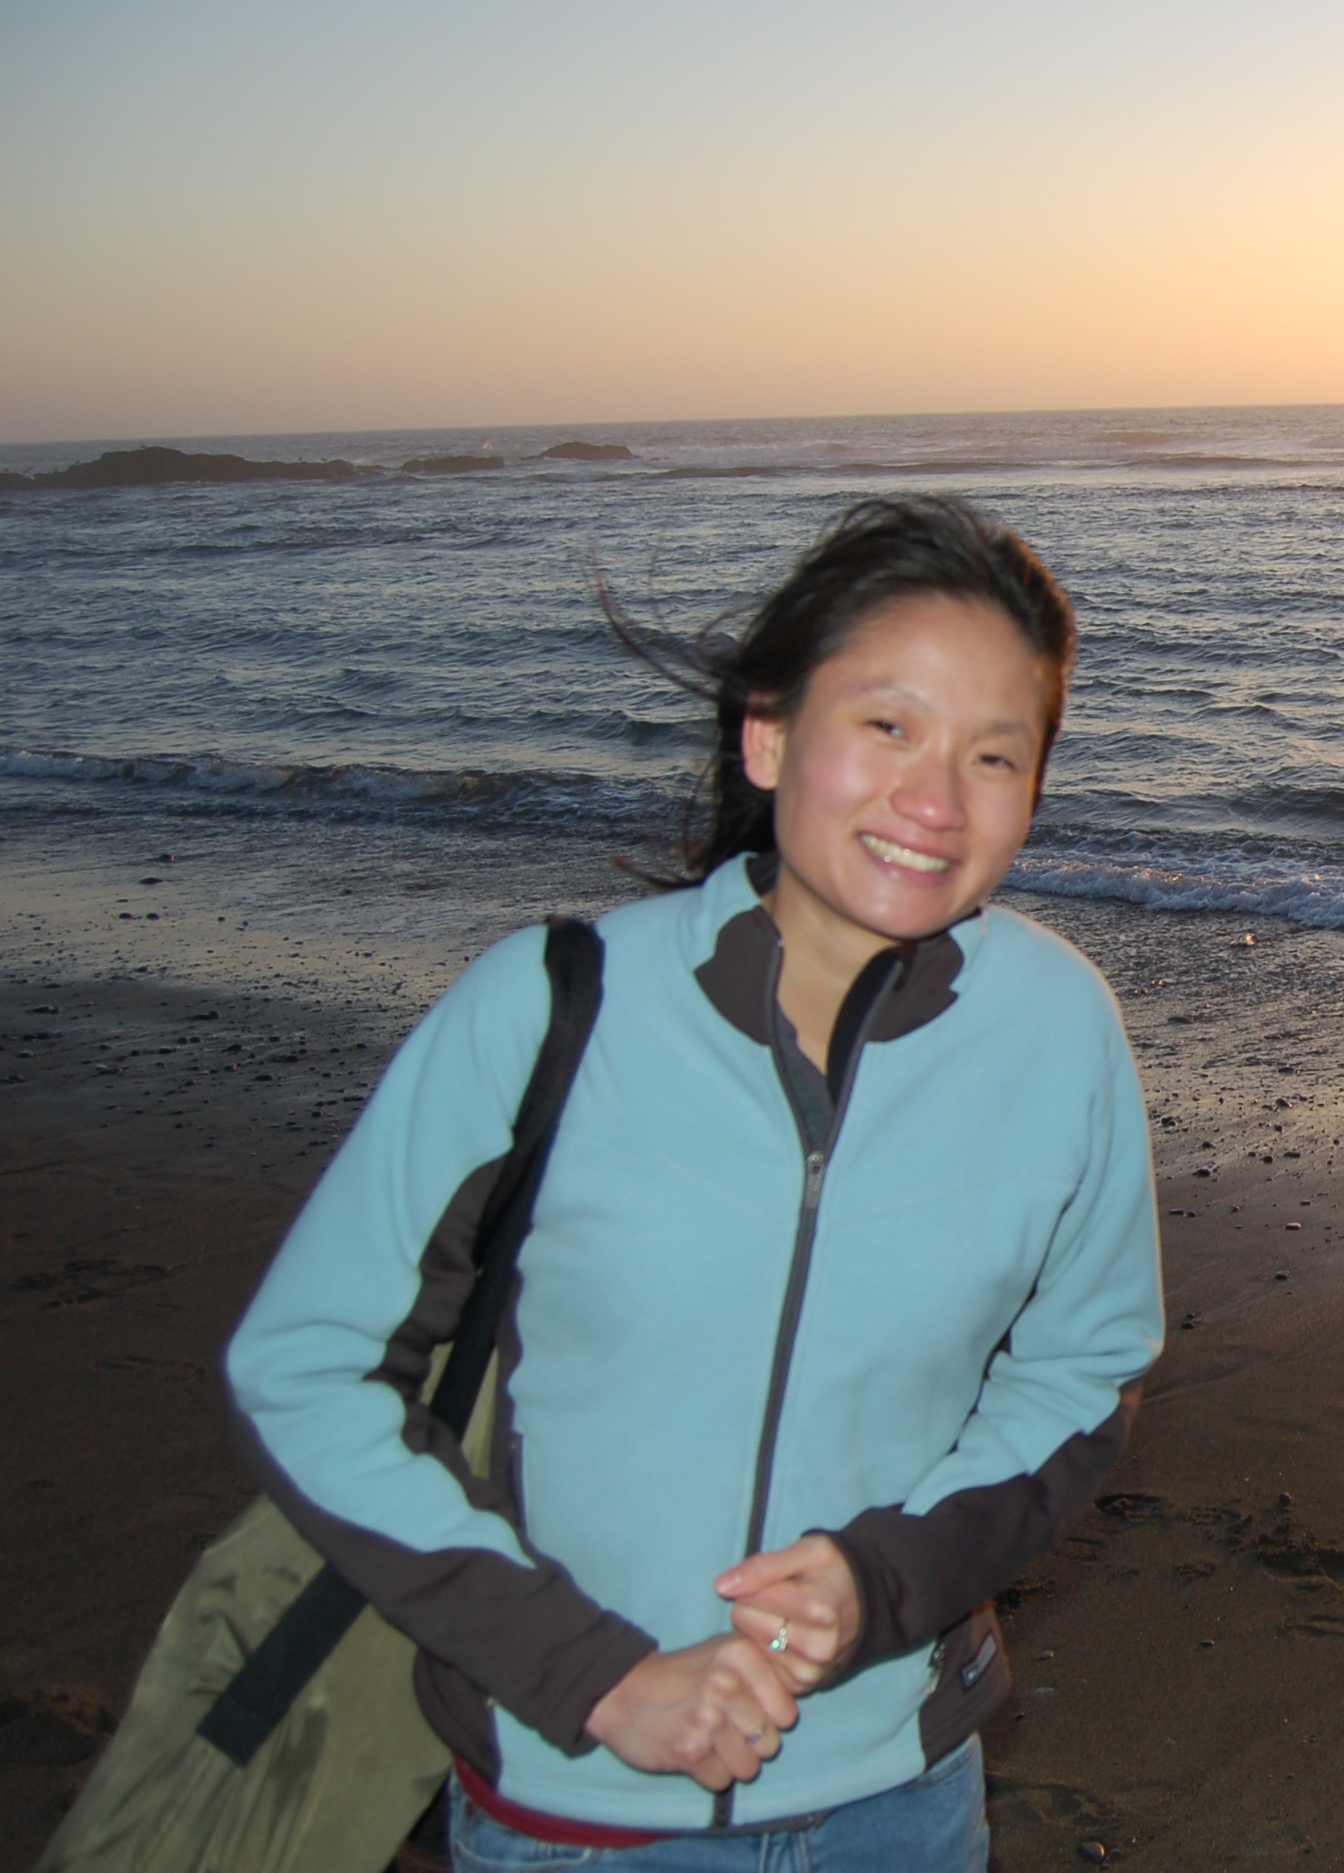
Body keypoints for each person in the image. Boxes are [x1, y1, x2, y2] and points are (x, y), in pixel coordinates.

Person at [223, 496, 1162, 1870]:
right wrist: (594, 1674)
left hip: (901, 1801)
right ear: (768, 735)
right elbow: (306, 1368)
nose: (936, 801)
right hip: (578, 1812)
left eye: (995, 755)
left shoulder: (1058, 1028)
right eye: (888, 726)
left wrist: (880, 1581)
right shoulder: (554, 1005)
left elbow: (1084, 1366)